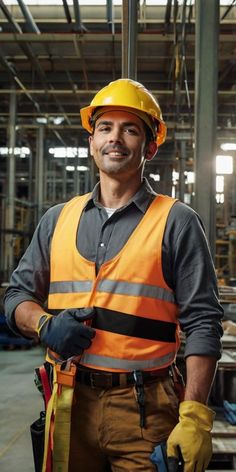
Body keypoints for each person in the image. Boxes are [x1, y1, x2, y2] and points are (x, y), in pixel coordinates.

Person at [4, 78, 223, 472]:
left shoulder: (177, 222)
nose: (115, 138)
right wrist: (44, 324)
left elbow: (204, 323)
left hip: (145, 410)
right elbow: (16, 297)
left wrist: (193, 417)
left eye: (130, 128)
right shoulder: (57, 219)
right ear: (91, 142)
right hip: (68, 403)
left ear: (150, 146)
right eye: (105, 127)